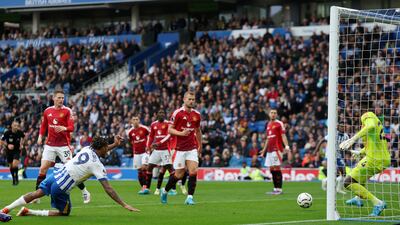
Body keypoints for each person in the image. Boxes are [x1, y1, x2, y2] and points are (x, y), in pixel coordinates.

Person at [1, 136, 139, 217]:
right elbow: (108, 189)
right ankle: (29, 211)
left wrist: (114, 144)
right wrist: (124, 204)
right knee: (65, 213)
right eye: (106, 148)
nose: (107, 150)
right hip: (61, 187)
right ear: (101, 148)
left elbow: (102, 149)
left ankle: (6, 209)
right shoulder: (97, 165)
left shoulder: (87, 149)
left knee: (36, 193)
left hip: (55, 176)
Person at [36, 90, 90, 204]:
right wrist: (40, 136)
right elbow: (43, 125)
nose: (61, 100)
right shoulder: (47, 111)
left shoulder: (67, 111)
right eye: (59, 98)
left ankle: (85, 191)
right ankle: (36, 195)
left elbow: (71, 127)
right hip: (50, 144)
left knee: (72, 170)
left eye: (62, 98)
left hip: (63, 146)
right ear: (53, 98)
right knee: (42, 169)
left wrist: (64, 128)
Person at [339, 111, 390, 216]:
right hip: (378, 158)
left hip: (375, 160)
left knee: (348, 182)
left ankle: (378, 203)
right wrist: (360, 152)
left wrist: (353, 139)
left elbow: (370, 126)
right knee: (358, 176)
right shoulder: (376, 123)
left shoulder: (367, 116)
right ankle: (358, 198)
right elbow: (372, 144)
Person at [161, 91, 202, 205]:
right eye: (189, 99)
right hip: (179, 148)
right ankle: (164, 191)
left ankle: (189, 197)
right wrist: (181, 133)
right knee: (179, 174)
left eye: (193, 99)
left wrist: (200, 146)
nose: (191, 101)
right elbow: (170, 130)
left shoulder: (197, 115)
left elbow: (198, 131)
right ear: (184, 99)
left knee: (193, 171)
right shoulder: (177, 113)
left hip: (191, 148)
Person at [145, 110, 177, 195]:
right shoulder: (153, 124)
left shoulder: (168, 123)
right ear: (157, 115)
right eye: (160, 113)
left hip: (165, 150)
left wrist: (160, 143)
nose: (162, 114)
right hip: (156, 151)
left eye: (163, 113)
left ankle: (173, 189)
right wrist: (148, 146)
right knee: (149, 167)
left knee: (171, 169)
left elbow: (169, 135)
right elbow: (151, 136)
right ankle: (147, 189)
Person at [259, 109, 290, 195]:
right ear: (269, 114)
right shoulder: (268, 124)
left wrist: (286, 146)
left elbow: (283, 135)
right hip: (269, 150)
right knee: (272, 169)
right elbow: (268, 139)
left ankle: (279, 189)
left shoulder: (279, 123)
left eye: (275, 113)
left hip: (277, 149)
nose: (273, 114)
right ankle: (275, 188)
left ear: (276, 115)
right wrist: (263, 151)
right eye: (272, 113)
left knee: (276, 168)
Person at [314, 124, 349, 194]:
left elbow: (347, 146)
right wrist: (316, 150)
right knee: (333, 172)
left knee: (344, 173)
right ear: (338, 127)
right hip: (330, 155)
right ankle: (327, 181)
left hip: (338, 156)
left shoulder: (346, 136)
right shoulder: (333, 133)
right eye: (341, 126)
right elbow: (322, 140)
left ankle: (337, 188)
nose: (342, 127)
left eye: (343, 126)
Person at [126, 115, 150, 194]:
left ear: (139, 120)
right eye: (134, 119)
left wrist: (149, 146)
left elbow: (150, 136)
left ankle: (146, 187)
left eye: (137, 119)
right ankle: (143, 187)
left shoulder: (144, 128)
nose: (135, 121)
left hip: (145, 152)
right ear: (131, 121)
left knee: (144, 168)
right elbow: (131, 141)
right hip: (136, 154)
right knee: (139, 171)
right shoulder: (130, 132)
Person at [0, 121, 25, 185]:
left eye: (17, 126)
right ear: (12, 126)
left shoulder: (19, 132)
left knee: (14, 164)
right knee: (11, 166)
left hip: (16, 150)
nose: (16, 127)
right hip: (9, 151)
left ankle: (16, 177)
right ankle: (14, 178)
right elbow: (1, 141)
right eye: (15, 125)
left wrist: (21, 144)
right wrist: (7, 145)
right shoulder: (7, 133)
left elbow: (24, 137)